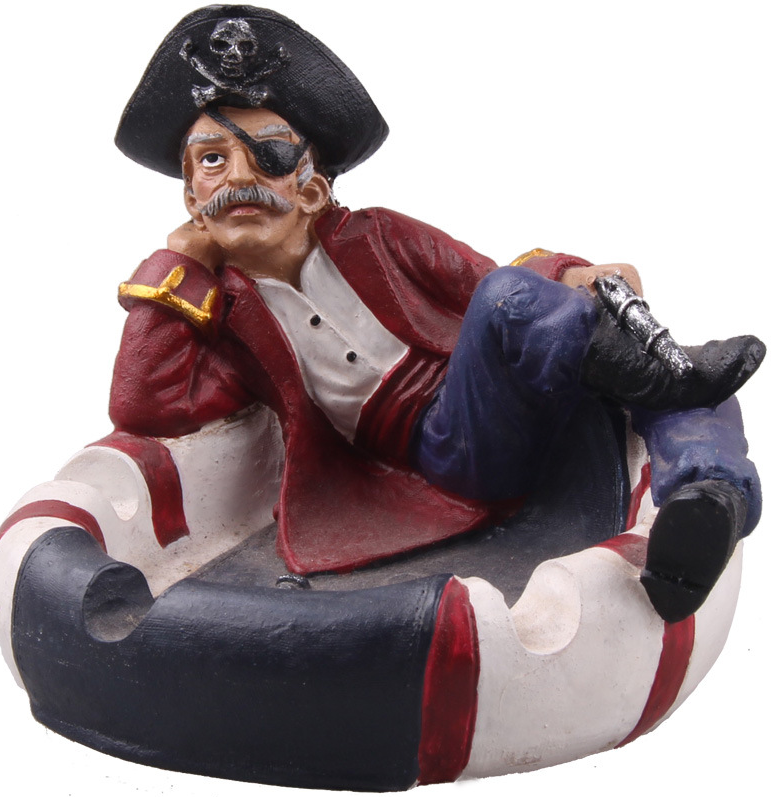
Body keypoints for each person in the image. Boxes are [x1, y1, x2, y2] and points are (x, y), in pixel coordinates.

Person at [111, 5, 762, 622]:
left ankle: (707, 500)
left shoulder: (378, 237)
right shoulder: (225, 318)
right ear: (193, 201)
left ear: (312, 187)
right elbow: (144, 404)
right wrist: (177, 264)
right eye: (213, 160)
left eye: (269, 155)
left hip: (497, 392)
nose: (238, 178)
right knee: (648, 366)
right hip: (439, 458)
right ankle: (653, 368)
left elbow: (487, 280)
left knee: (684, 389)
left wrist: (575, 275)